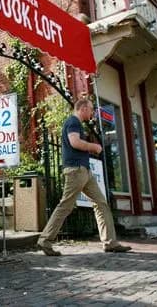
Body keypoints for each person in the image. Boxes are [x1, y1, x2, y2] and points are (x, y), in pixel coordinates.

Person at [37, 99, 131, 256]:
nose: (92, 112)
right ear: (83, 108)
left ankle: (110, 242)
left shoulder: (76, 123)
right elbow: (75, 142)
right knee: (66, 205)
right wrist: (94, 147)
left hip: (85, 171)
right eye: (91, 109)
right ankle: (44, 240)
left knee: (101, 203)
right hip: (76, 170)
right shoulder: (73, 121)